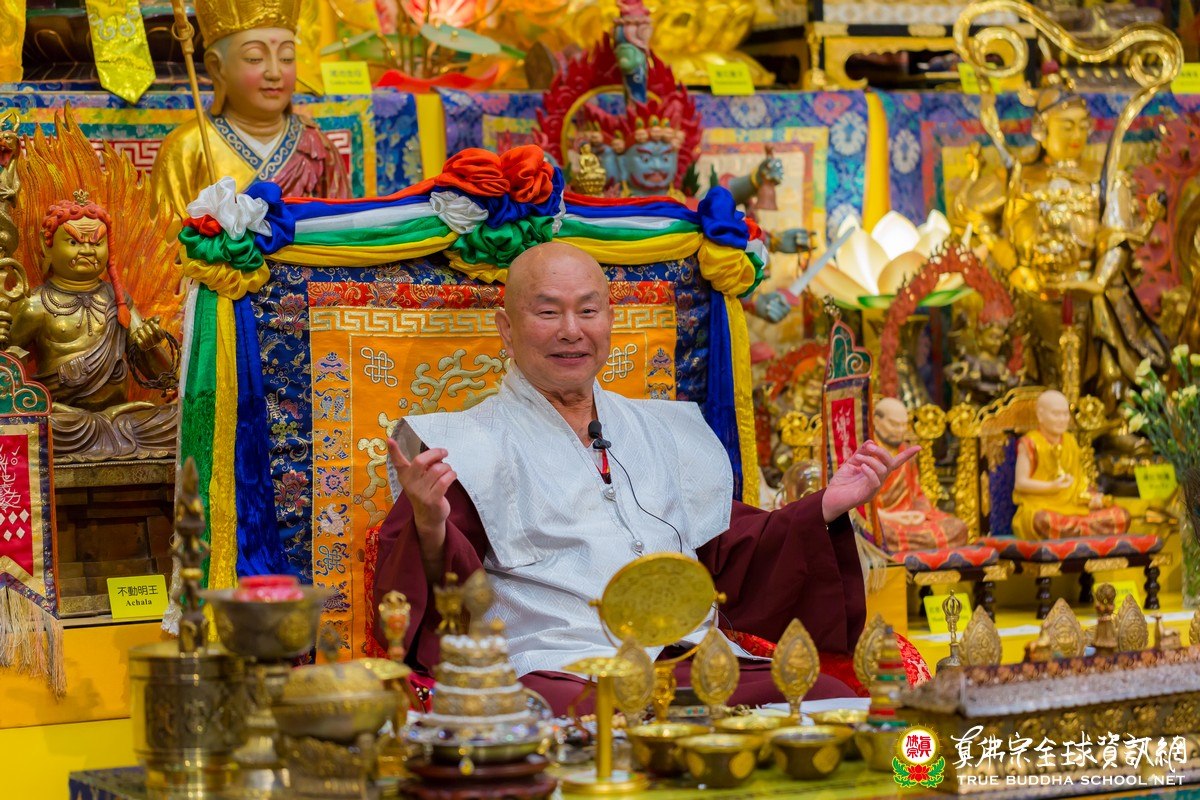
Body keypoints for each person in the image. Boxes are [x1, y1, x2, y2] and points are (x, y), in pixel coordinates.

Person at [372, 241, 919, 714]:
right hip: (562, 667)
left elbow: (727, 548)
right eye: (548, 313)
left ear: (610, 320)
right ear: (507, 329)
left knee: (824, 697)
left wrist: (825, 504)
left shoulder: (663, 430)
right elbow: (441, 604)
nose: (571, 331)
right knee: (575, 719)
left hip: (688, 657)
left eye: (588, 311)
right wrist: (429, 525)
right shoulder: (463, 445)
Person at [151, 0, 351, 222]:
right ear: (217, 67)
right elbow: (164, 236)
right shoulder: (187, 147)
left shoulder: (315, 146)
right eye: (255, 58)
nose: (275, 72)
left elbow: (342, 228)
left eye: (286, 58)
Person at [1011, 389, 1131, 539]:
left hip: (1074, 506)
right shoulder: (1030, 443)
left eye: (1065, 414)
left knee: (1121, 516)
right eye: (1056, 414)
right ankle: (1080, 530)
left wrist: (1092, 497)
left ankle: (1076, 530)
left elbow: (1079, 482)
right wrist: (1051, 486)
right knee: (1043, 521)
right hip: (1041, 505)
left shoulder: (1070, 441)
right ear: (1040, 415)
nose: (1062, 419)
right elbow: (1020, 484)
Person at [872, 398, 968, 552]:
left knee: (958, 527)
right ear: (876, 421)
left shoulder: (906, 452)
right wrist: (889, 517)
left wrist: (918, 514)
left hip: (909, 519)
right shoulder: (867, 453)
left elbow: (917, 494)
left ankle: (904, 545)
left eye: (904, 425)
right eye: (894, 424)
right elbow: (859, 507)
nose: (900, 430)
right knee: (876, 533)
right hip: (883, 520)